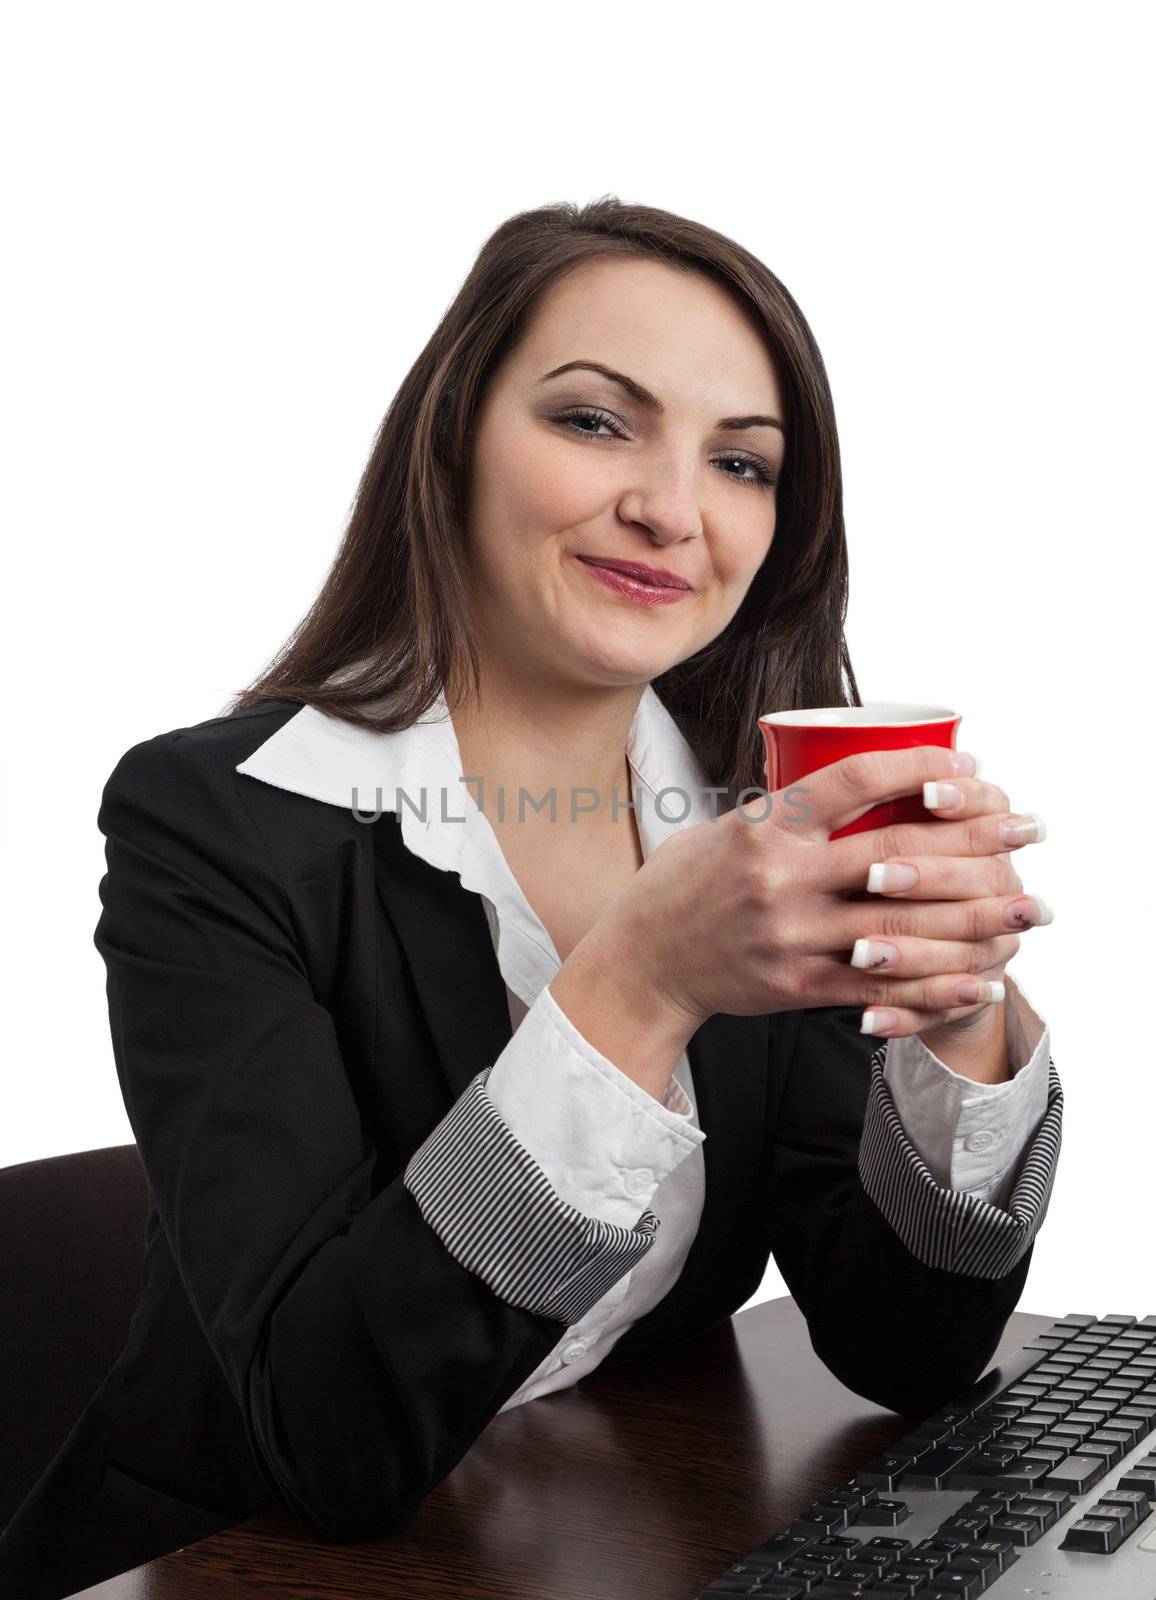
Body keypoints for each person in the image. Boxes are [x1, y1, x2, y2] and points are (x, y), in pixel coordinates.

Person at [0, 198, 1059, 1600]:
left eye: (741, 462)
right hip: (212, 1566)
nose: (673, 511)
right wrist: (643, 982)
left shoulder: (752, 824)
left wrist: (954, 1007)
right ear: (451, 442)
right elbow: (335, 1440)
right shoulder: (218, 823)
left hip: (582, 1539)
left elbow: (908, 1348)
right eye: (595, 422)